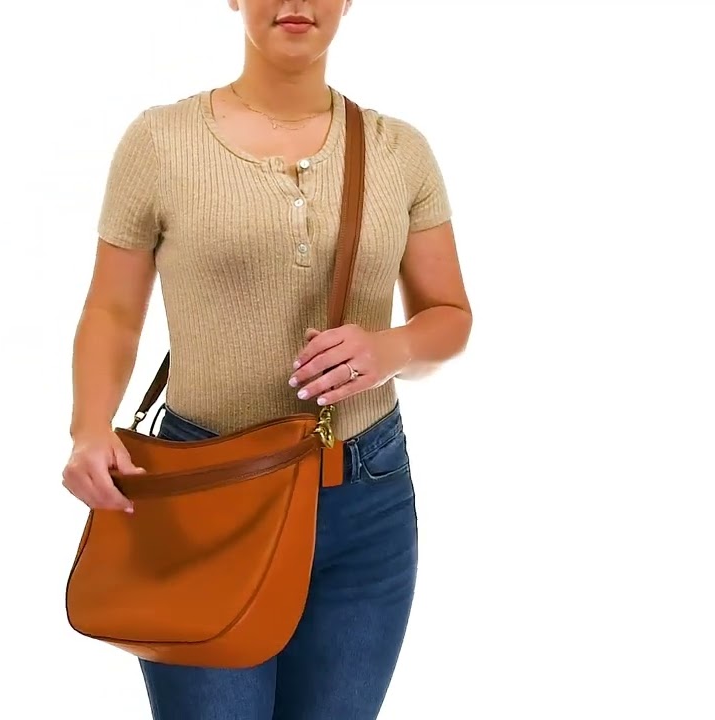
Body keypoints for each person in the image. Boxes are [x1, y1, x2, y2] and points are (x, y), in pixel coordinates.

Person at [62, 1, 472, 717]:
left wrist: (391, 348)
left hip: (364, 496)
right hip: (205, 495)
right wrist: (89, 427)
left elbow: (450, 316)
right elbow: (113, 310)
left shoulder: (399, 150)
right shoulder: (160, 142)